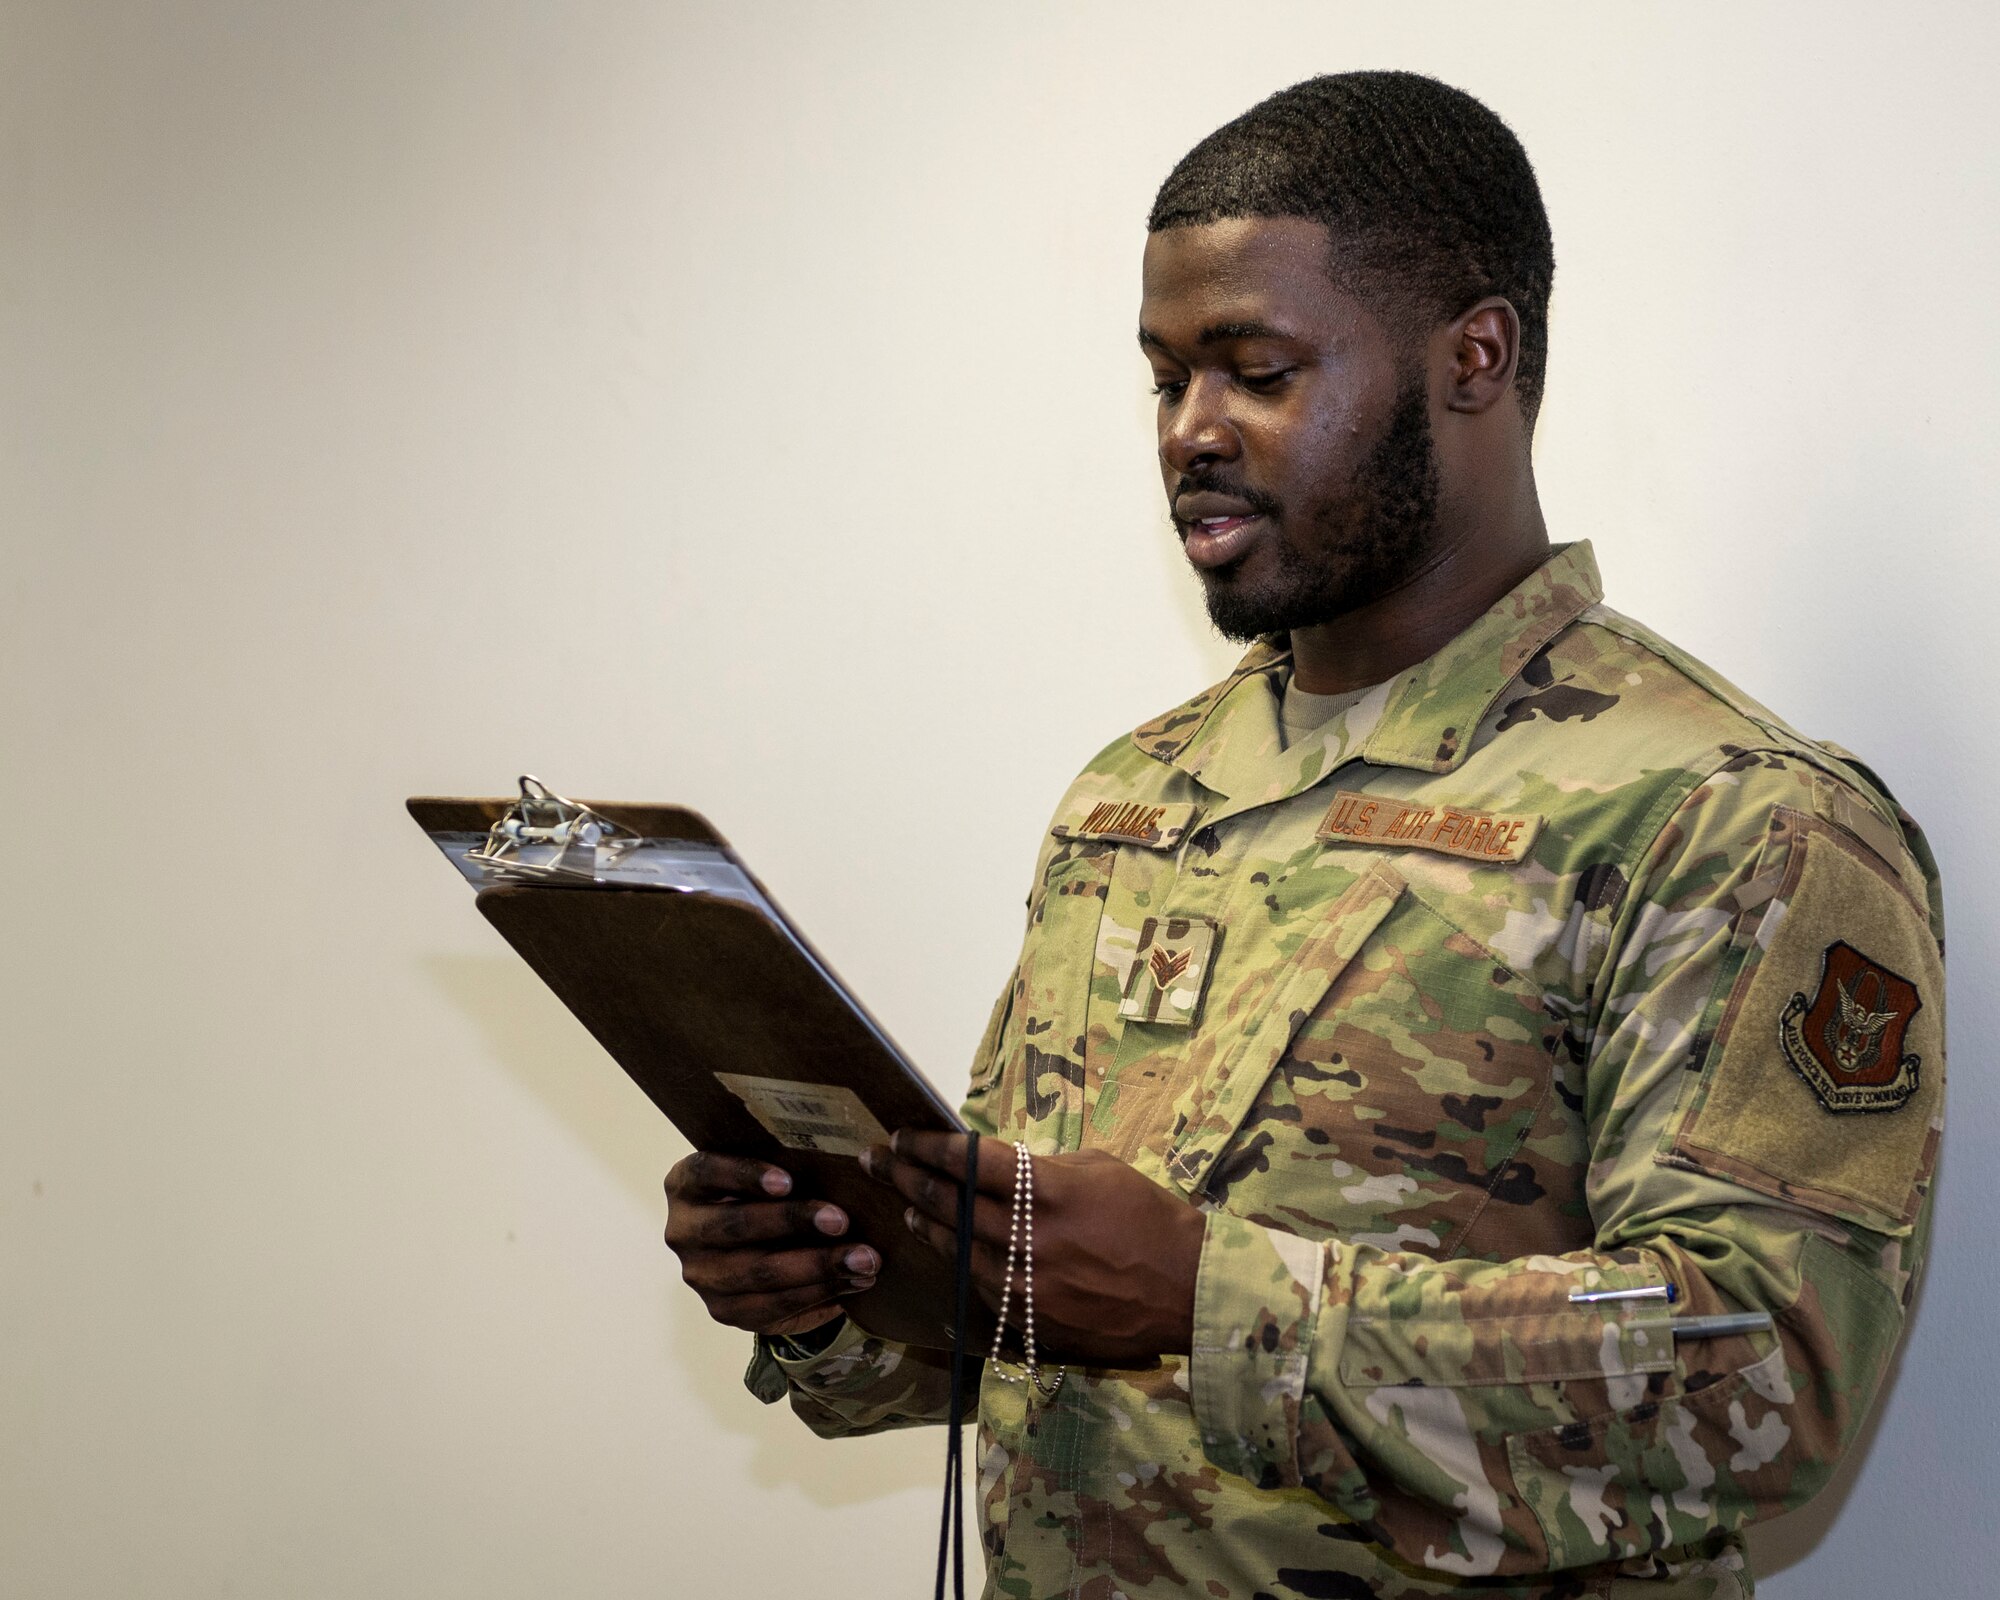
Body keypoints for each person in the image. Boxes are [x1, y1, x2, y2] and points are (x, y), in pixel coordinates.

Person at [663, 72, 1944, 1599]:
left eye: (1255, 371)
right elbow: (1025, 1324)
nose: (1191, 433)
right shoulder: (1132, 799)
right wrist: (837, 1285)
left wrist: (1207, 1299)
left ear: (1476, 357)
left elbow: (1770, 1385)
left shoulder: (1733, 816)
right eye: (1164, 380)